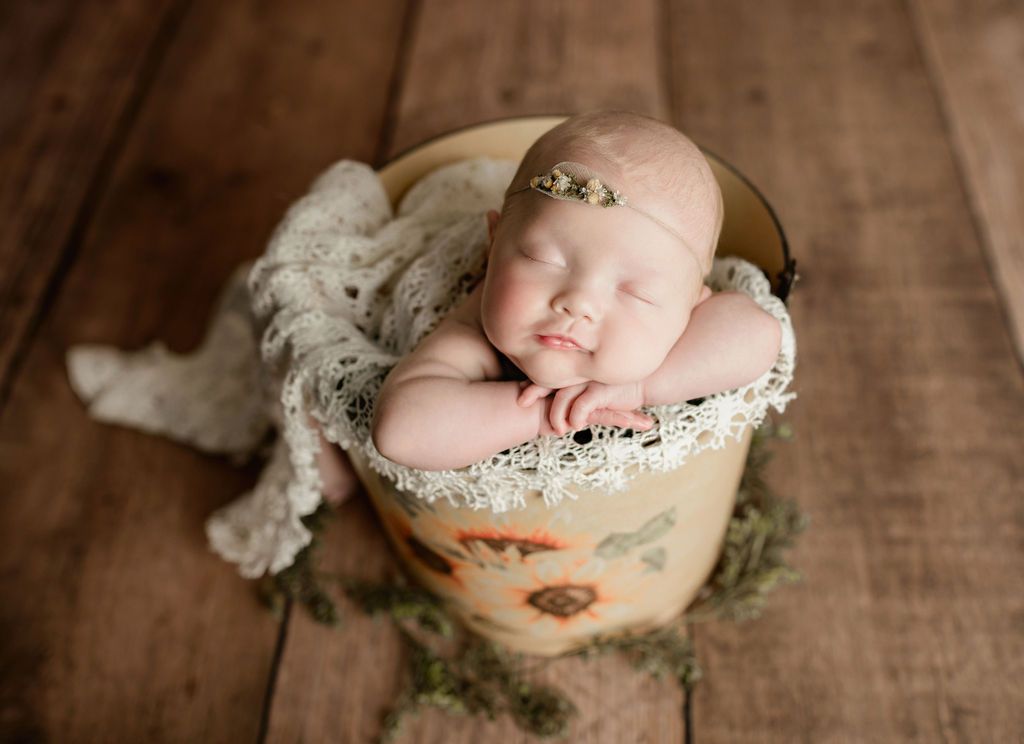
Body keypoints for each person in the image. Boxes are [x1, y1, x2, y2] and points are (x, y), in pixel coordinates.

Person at [318, 110, 783, 485]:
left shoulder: (680, 324)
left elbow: (760, 334)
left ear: (689, 304)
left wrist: (640, 388)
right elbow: (400, 431)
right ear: (493, 245)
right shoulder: (474, 328)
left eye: (633, 291)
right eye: (543, 260)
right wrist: (543, 413)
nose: (577, 302)